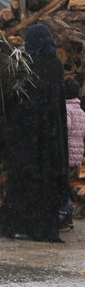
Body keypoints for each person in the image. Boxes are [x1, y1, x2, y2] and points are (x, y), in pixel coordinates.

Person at [0, 23, 67, 243]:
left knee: (23, 183)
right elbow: (57, 104)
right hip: (51, 139)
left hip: (27, 140)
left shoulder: (24, 68)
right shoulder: (56, 67)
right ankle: (43, 229)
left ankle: (17, 225)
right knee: (47, 186)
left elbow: (10, 102)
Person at [60, 77, 84, 228]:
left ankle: (66, 212)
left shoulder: (66, 109)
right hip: (76, 155)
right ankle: (66, 212)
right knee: (64, 183)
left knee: (60, 185)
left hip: (66, 153)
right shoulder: (80, 111)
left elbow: (66, 127)